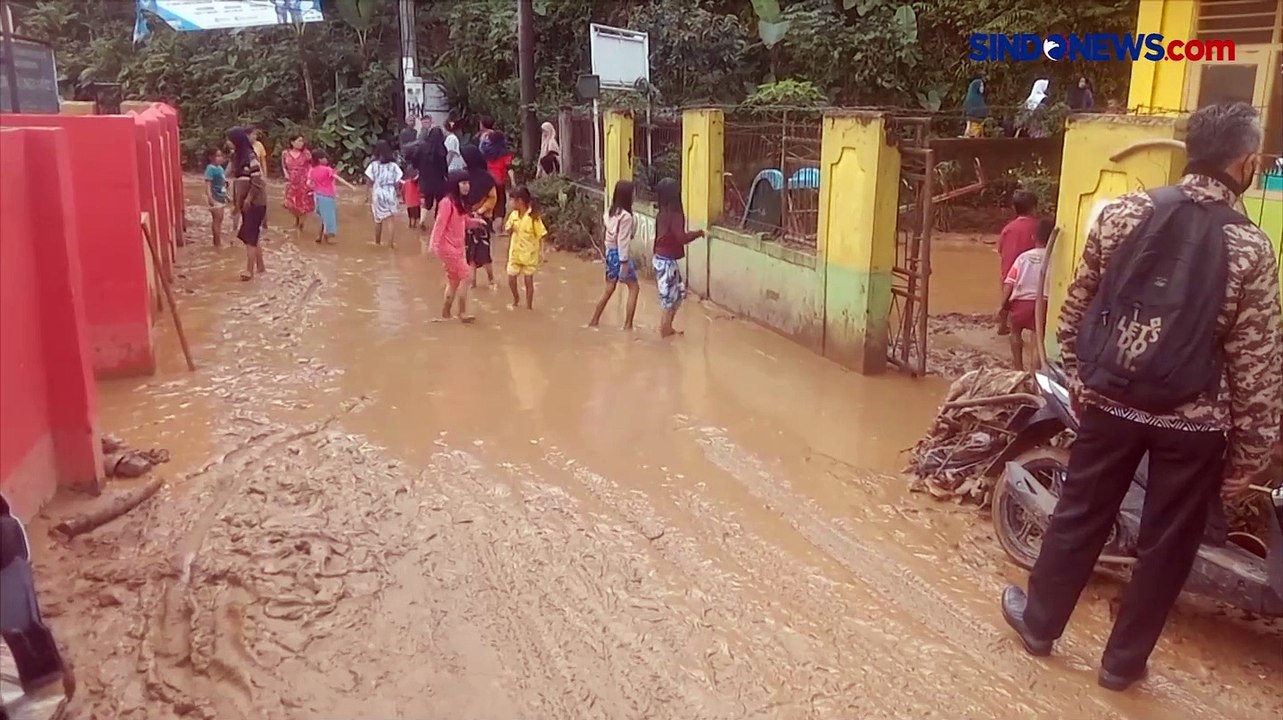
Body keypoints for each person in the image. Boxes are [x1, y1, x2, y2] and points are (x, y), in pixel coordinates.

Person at [1000, 102, 1282, 692]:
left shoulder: (1123, 212)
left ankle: (1040, 625)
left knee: (1080, 513)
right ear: (1246, 162)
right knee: (1167, 546)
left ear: (1190, 152)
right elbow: (1257, 366)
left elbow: (1076, 306)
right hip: (1194, 426)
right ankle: (1121, 665)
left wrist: (1081, 379)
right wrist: (1250, 456)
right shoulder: (1253, 249)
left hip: (1110, 404)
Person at [429, 169, 488, 323]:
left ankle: (445, 314)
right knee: (467, 276)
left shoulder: (459, 202)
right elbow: (439, 224)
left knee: (454, 281)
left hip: (457, 247)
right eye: (463, 183)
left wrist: (476, 223)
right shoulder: (447, 203)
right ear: (455, 185)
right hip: (448, 248)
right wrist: (433, 245)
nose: (466, 186)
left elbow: (463, 222)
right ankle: (462, 313)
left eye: (467, 183)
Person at [652, 178, 704, 338]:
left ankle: (666, 327)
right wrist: (699, 233)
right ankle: (664, 330)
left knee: (677, 293)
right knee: (671, 297)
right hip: (667, 261)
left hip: (660, 258)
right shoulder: (675, 214)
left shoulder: (662, 213)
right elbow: (681, 238)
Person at [999, 217, 1053, 370]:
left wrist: (1003, 304)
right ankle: (1034, 372)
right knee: (1037, 338)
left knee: (1015, 331)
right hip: (1043, 304)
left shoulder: (1023, 258)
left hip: (1020, 303)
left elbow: (1009, 282)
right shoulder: (1054, 259)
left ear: (1033, 237)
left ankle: (1018, 367)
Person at [589, 180, 640, 330]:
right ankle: (628, 325)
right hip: (619, 255)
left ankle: (594, 320)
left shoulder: (610, 213)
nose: (635, 195)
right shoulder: (626, 217)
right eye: (633, 192)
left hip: (610, 253)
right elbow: (623, 241)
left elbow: (610, 237)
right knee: (634, 288)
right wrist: (624, 263)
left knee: (609, 289)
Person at [996, 190, 1040, 335]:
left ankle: (1002, 326)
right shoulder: (1038, 227)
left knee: (1006, 300)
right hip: (1029, 274)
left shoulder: (1008, 228)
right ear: (1034, 208)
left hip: (1009, 272)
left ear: (1014, 209)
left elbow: (1000, 249)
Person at [228, 127, 267, 281]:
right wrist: (237, 204)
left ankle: (249, 270)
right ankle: (260, 267)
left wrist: (248, 199)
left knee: (250, 237)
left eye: (230, 139)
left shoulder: (250, 157)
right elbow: (238, 183)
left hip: (255, 203)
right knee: (253, 235)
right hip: (246, 203)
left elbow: (257, 181)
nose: (228, 142)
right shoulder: (237, 157)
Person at [503, 186, 547, 310]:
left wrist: (542, 252)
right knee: (511, 278)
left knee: (528, 281)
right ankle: (516, 298)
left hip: (530, 254)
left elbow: (541, 235)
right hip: (515, 253)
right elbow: (507, 230)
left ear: (520, 201)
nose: (510, 203)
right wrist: (510, 229)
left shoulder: (533, 217)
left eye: (512, 200)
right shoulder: (513, 215)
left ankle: (529, 306)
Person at [462, 144, 498, 288]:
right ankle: (477, 282)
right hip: (472, 219)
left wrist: (479, 211)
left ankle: (488, 280)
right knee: (473, 251)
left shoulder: (479, 177)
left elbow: (492, 198)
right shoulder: (483, 177)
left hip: (479, 219)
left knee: (479, 251)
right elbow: (493, 198)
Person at [307, 150, 356, 244]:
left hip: (317, 195)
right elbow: (338, 179)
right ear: (320, 159)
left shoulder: (312, 170)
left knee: (321, 217)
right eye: (324, 158)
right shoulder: (327, 169)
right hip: (328, 196)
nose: (326, 159)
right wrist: (351, 186)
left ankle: (319, 236)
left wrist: (315, 188)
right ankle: (327, 235)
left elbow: (308, 183)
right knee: (329, 217)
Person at [365, 140, 404, 248]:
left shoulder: (373, 165)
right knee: (390, 219)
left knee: (378, 220)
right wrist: (398, 194)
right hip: (390, 192)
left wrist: (367, 196)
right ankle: (390, 245)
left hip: (378, 193)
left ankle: (377, 243)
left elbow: (369, 182)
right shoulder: (394, 166)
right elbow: (397, 183)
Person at [415, 127, 450, 220]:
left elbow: (415, 160)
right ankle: (438, 220)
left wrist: (419, 169)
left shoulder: (422, 147)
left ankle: (422, 220)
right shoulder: (442, 149)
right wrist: (446, 176)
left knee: (427, 201)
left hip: (425, 179)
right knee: (440, 201)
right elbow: (444, 166)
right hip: (439, 180)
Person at [281, 134, 314, 231]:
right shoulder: (285, 153)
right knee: (289, 204)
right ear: (292, 142)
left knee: (304, 204)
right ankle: (297, 219)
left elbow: (311, 166)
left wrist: (309, 178)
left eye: (302, 141)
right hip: (291, 180)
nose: (301, 143)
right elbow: (283, 166)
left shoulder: (306, 153)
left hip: (303, 180)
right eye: (299, 141)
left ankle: (300, 225)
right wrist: (286, 173)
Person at [483, 131, 515, 226]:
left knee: (488, 202)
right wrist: (513, 182)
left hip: (487, 180)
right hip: (499, 180)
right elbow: (509, 168)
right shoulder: (505, 153)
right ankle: (498, 229)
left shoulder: (485, 151)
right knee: (500, 203)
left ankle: (487, 226)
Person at [203, 148, 228, 248]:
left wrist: (227, 196)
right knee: (217, 220)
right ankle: (217, 243)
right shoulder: (210, 169)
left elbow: (222, 184)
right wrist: (210, 198)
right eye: (217, 156)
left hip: (221, 197)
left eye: (221, 156)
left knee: (220, 220)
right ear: (211, 157)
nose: (220, 158)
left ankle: (217, 241)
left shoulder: (220, 168)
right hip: (215, 198)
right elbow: (208, 185)